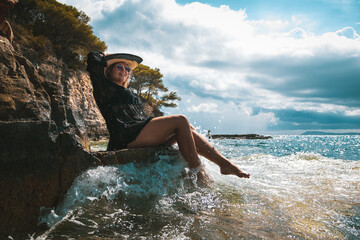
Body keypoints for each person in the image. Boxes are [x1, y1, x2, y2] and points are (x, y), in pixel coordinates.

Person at [86, 51, 250, 182]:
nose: (124, 71)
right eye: (119, 67)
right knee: (180, 120)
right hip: (126, 135)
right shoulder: (103, 88)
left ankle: (224, 164)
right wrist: (105, 56)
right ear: (108, 70)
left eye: (127, 69)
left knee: (188, 130)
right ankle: (199, 175)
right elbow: (92, 58)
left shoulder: (128, 92)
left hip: (139, 132)